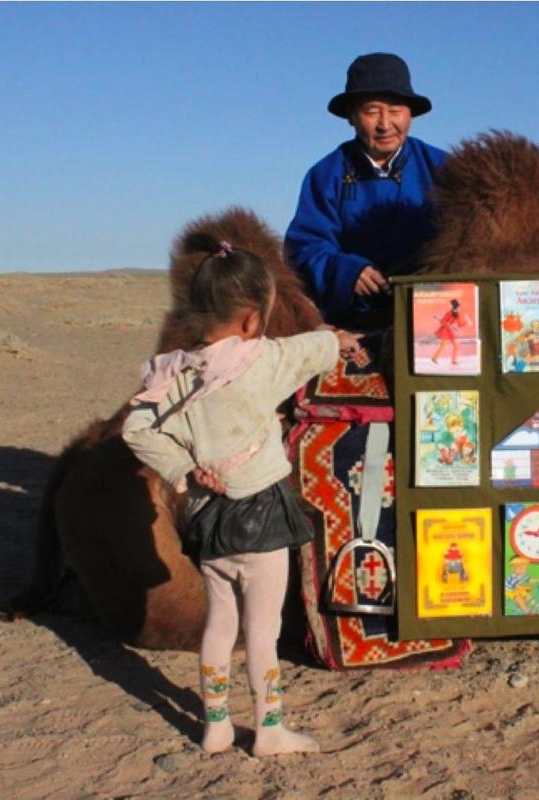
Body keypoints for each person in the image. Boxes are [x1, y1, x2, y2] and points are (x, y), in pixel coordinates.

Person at [121, 236, 362, 757]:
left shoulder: (177, 374)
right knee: (262, 630)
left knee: (220, 622)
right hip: (262, 520)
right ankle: (269, 729)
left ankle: (216, 727)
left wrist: (184, 468)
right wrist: (341, 340)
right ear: (253, 320)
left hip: (209, 519)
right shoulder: (264, 360)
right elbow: (317, 348)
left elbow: (138, 431)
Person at [285, 52, 447, 329]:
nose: (385, 124)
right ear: (351, 116)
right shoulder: (325, 176)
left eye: (395, 110)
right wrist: (346, 273)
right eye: (372, 111)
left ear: (410, 115)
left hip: (434, 318)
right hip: (353, 321)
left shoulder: (444, 168)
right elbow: (303, 248)